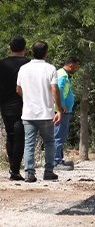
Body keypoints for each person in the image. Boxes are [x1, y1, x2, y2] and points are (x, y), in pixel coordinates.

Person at [16, 41, 62, 183]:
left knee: (29, 143)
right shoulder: (50, 69)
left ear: (32, 52)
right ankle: (48, 171)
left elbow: (18, 89)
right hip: (46, 112)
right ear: (46, 53)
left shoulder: (23, 68)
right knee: (49, 142)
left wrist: (28, 98)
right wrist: (58, 109)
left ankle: (29, 172)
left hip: (28, 113)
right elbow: (54, 89)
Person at [0, 35, 30, 181]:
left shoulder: (2, 64)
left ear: (10, 48)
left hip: (5, 106)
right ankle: (15, 170)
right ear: (25, 49)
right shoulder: (29, 64)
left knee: (10, 135)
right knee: (19, 137)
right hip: (23, 105)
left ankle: (13, 168)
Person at [53, 56, 80, 171]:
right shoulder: (63, 75)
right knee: (58, 135)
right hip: (61, 111)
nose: (76, 69)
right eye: (76, 67)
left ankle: (59, 158)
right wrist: (62, 104)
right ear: (70, 65)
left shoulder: (65, 75)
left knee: (61, 135)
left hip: (64, 111)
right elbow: (58, 89)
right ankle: (56, 161)